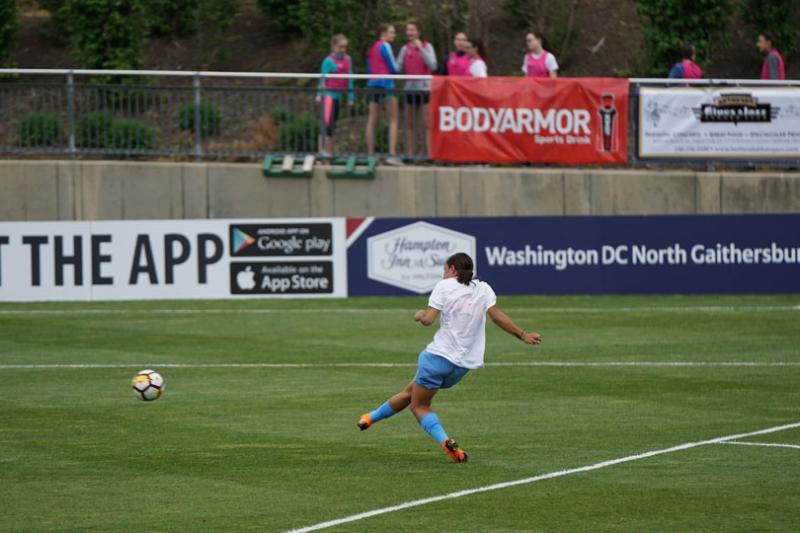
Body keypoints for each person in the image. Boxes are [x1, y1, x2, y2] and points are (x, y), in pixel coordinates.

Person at [357, 252, 542, 463]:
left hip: (437, 358)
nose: (443, 273)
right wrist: (523, 335)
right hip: (461, 367)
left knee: (419, 406)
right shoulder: (484, 288)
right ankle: (369, 418)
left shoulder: (444, 286)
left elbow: (427, 320)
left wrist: (418, 315)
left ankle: (446, 442)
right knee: (411, 392)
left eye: (444, 269)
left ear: (453, 269)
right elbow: (497, 317)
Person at [396, 22, 437, 158]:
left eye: (412, 30)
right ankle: (410, 155)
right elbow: (398, 68)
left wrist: (421, 49)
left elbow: (433, 65)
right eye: (408, 30)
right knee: (410, 124)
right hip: (410, 89)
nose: (409, 33)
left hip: (424, 89)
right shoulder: (404, 49)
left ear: (418, 32)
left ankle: (429, 155)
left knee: (427, 124)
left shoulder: (427, 46)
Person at [366, 23, 403, 165]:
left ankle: (370, 154)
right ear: (383, 33)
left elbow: (370, 68)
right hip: (386, 84)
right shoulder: (385, 46)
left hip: (372, 84)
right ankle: (391, 154)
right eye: (391, 32)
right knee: (393, 119)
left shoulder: (372, 47)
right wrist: (400, 67)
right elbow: (393, 68)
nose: (394, 35)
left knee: (372, 120)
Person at [315, 34, 355, 157]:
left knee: (332, 127)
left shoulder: (348, 59)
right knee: (327, 126)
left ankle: (329, 154)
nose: (343, 50)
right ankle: (324, 153)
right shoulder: (328, 61)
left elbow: (350, 79)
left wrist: (350, 97)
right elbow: (322, 79)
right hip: (328, 95)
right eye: (340, 47)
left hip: (337, 96)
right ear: (333, 46)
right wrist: (318, 94)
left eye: (345, 47)